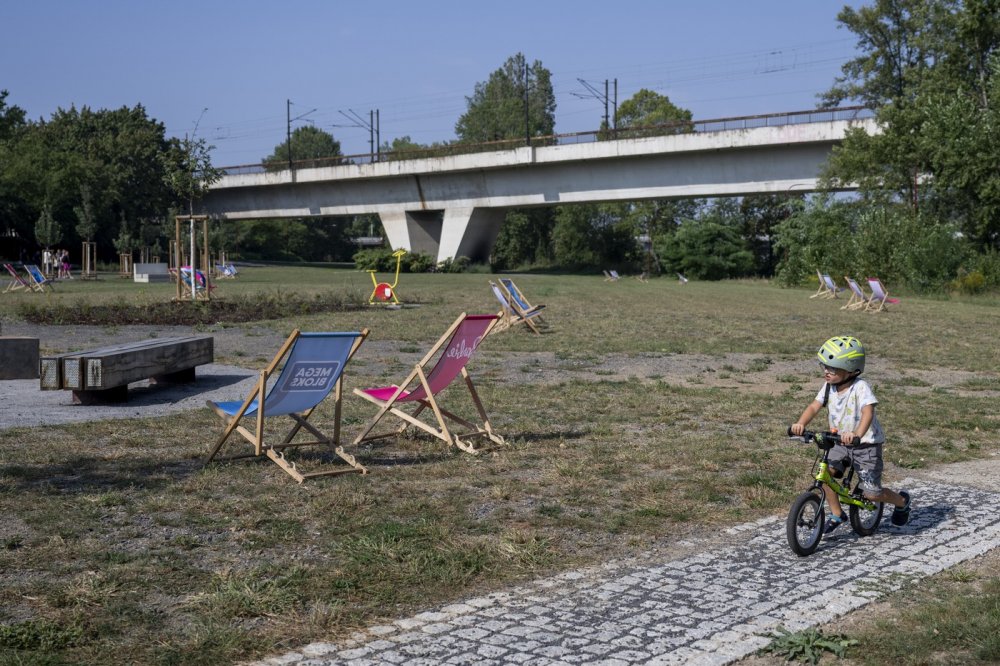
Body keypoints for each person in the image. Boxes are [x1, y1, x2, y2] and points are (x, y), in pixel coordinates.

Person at [790, 335, 911, 536]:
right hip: (838, 442)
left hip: (865, 446)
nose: (827, 372)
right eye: (825, 367)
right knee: (826, 474)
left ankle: (901, 501)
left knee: (872, 494)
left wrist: (857, 434)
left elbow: (867, 412)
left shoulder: (860, 387)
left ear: (852, 370)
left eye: (833, 368)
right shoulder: (829, 387)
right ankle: (837, 514)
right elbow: (814, 406)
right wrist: (801, 424)